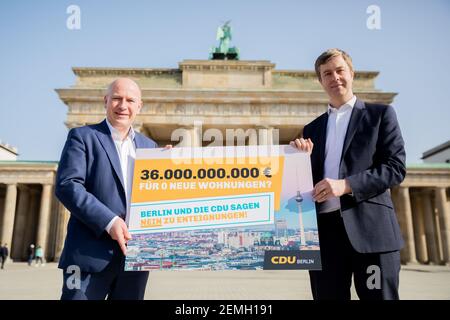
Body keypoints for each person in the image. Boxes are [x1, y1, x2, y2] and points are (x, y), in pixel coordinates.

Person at [290, 48, 405, 300]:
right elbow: (302, 186)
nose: (335, 78)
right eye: (327, 74)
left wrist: (346, 185)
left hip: (370, 231)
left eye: (340, 70)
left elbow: (395, 168)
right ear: (321, 81)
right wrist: (298, 161)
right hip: (325, 236)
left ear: (351, 74)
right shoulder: (312, 128)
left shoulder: (380, 115)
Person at [55, 78, 158, 300]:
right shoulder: (83, 137)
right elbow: (67, 185)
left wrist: (169, 165)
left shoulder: (150, 148)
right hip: (86, 258)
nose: (123, 106)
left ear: (139, 106)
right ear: (105, 101)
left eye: (130, 100)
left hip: (135, 259)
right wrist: (109, 221)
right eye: (117, 98)